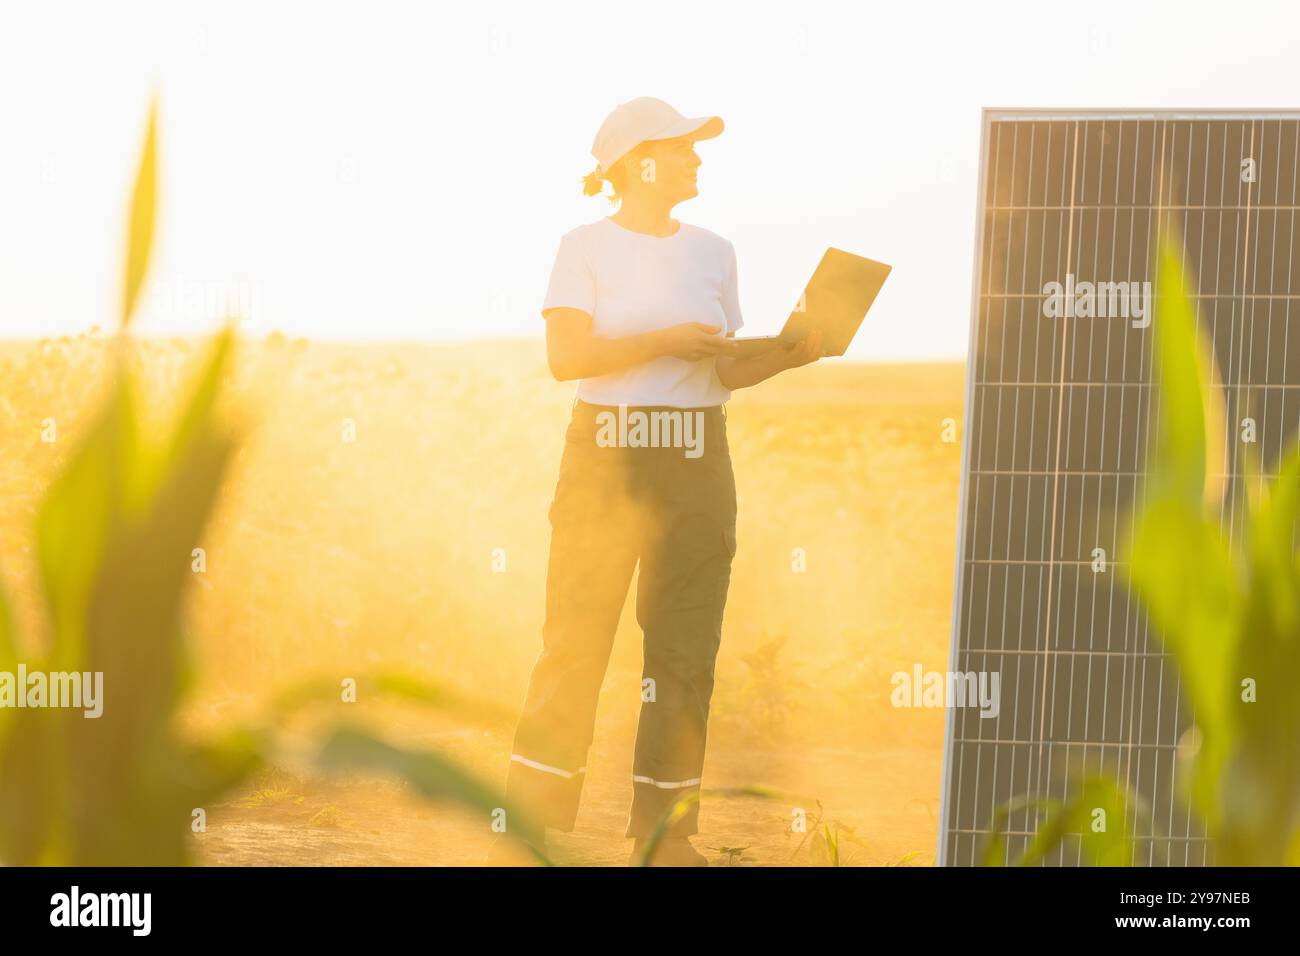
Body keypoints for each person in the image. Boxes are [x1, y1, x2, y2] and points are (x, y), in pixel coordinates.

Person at [497, 97, 824, 867]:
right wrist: (664, 341)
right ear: (636, 162)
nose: (698, 161)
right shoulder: (582, 246)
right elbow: (567, 357)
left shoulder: (715, 250)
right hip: (607, 457)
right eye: (684, 149)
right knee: (574, 644)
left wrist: (790, 352)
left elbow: (725, 369)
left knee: (683, 653)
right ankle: (527, 827)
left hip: (696, 458)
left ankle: (666, 835)